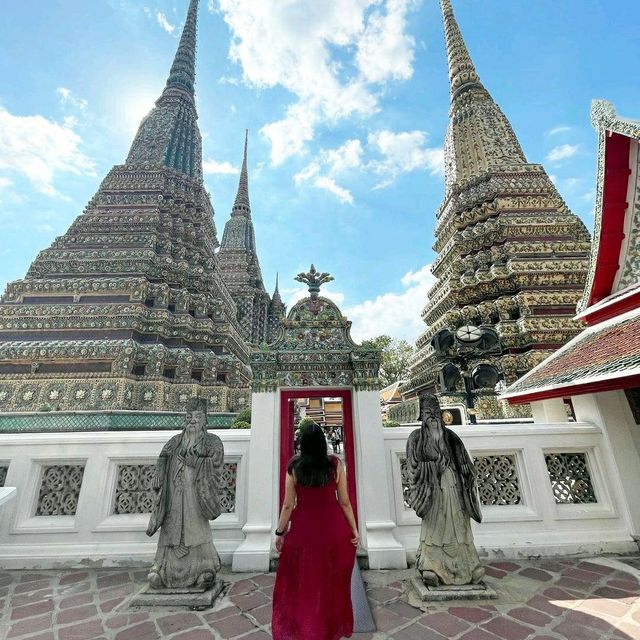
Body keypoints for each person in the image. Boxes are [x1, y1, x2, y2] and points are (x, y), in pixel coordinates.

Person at [272, 422, 360, 640]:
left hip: (303, 533)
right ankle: (328, 629)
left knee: (304, 584)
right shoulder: (334, 465)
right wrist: (354, 530)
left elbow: (288, 505)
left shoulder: (294, 466)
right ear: (322, 442)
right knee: (331, 583)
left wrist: (280, 532)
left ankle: (307, 628)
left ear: (302, 443)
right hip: (334, 531)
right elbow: (345, 502)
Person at [406, 394, 485, 586]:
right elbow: (413, 467)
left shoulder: (452, 438)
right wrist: (434, 469)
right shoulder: (416, 438)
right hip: (432, 492)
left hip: (455, 489)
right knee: (435, 530)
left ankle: (470, 565)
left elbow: (465, 464)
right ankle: (431, 567)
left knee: (459, 527)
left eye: (436, 413)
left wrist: (466, 470)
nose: (432, 417)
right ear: (421, 416)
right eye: (428, 413)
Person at [146, 397, 224, 590]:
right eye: (189, 416)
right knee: (171, 530)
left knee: (195, 530)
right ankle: (162, 570)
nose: (193, 420)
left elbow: (216, 464)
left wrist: (195, 463)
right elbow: (163, 457)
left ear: (206, 419)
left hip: (196, 497)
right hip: (174, 496)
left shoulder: (212, 442)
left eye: (198, 416)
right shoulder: (175, 442)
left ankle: (204, 569)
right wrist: (159, 474)